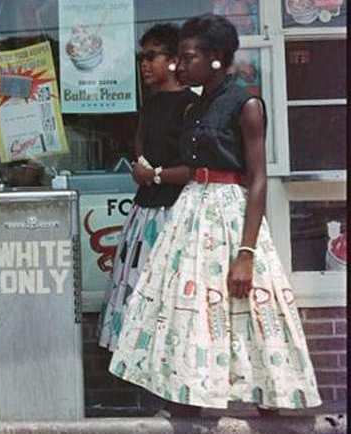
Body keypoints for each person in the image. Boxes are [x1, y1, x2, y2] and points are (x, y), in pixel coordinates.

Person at [108, 14, 321, 415]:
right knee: (188, 309)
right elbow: (189, 167)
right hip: (191, 211)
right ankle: (188, 397)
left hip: (228, 213)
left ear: (217, 58)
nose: (179, 65)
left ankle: (266, 398)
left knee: (245, 305)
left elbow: (257, 179)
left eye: (188, 58)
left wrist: (246, 251)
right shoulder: (195, 105)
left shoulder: (246, 104)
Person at [97, 24, 197, 351]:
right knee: (139, 289)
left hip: (175, 212)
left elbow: (196, 167)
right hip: (145, 212)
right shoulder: (151, 104)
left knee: (170, 294)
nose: (144, 64)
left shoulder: (190, 106)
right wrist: (141, 165)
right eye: (142, 57)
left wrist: (154, 174)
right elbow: (139, 146)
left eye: (151, 56)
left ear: (173, 60)